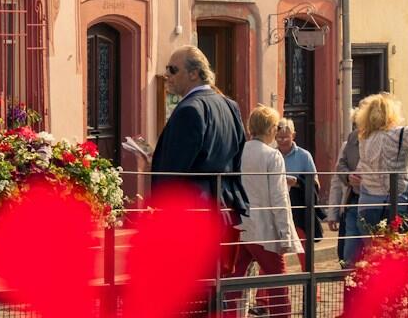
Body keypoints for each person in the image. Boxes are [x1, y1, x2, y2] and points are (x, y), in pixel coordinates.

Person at [128, 46, 249, 219]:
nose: (167, 75)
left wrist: (159, 210)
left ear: (194, 73)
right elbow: (236, 158)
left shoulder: (190, 109)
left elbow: (175, 168)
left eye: (173, 69)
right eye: (166, 69)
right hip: (224, 208)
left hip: (194, 211)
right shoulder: (230, 105)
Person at [238, 105, 301, 318]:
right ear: (271, 129)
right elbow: (279, 197)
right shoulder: (272, 156)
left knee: (233, 281)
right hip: (264, 228)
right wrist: (284, 233)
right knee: (278, 283)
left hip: (240, 225)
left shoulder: (239, 152)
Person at [352, 93, 408, 236]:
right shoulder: (398, 134)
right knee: (402, 253)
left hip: (367, 206)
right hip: (399, 203)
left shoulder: (365, 139)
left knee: (374, 255)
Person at [274, 118, 323, 251]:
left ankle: (306, 270)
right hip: (277, 205)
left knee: (303, 249)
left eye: (286, 137)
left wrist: (297, 182)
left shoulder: (304, 156)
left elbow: (315, 183)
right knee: (274, 248)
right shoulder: (272, 155)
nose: (282, 141)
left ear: (293, 136)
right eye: (279, 137)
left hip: (298, 208)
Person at [330, 116, 364, 267]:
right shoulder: (349, 144)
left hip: (375, 203)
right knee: (347, 255)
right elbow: (337, 181)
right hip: (351, 202)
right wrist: (333, 212)